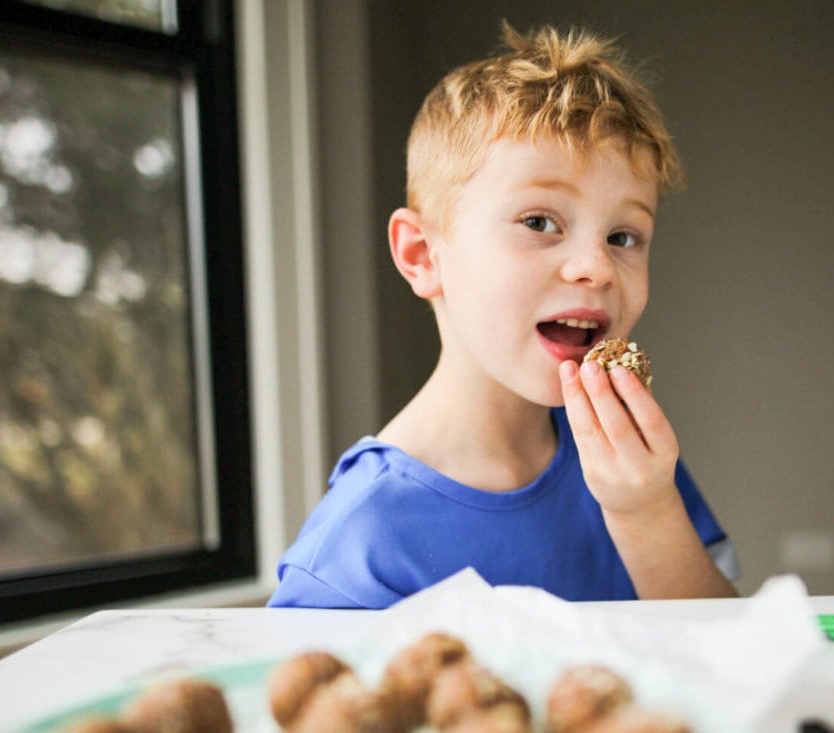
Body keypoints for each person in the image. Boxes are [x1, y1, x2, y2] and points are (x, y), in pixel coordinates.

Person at [268, 22, 739, 609]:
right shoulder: (358, 546)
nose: (597, 268)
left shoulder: (629, 461)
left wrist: (645, 510)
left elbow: (730, 648)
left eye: (624, 235)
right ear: (422, 256)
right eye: (539, 222)